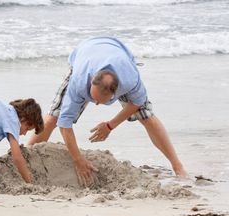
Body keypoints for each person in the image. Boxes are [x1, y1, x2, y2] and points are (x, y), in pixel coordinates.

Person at [28, 36, 187, 185]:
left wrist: (110, 125)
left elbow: (137, 103)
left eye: (100, 101)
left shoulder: (130, 79)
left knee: (147, 117)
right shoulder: (79, 81)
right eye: (93, 98)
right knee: (53, 117)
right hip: (85, 53)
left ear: (116, 92)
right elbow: (65, 123)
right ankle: (25, 158)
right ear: (91, 83)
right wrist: (78, 159)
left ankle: (178, 167)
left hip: (118, 52)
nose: (95, 104)